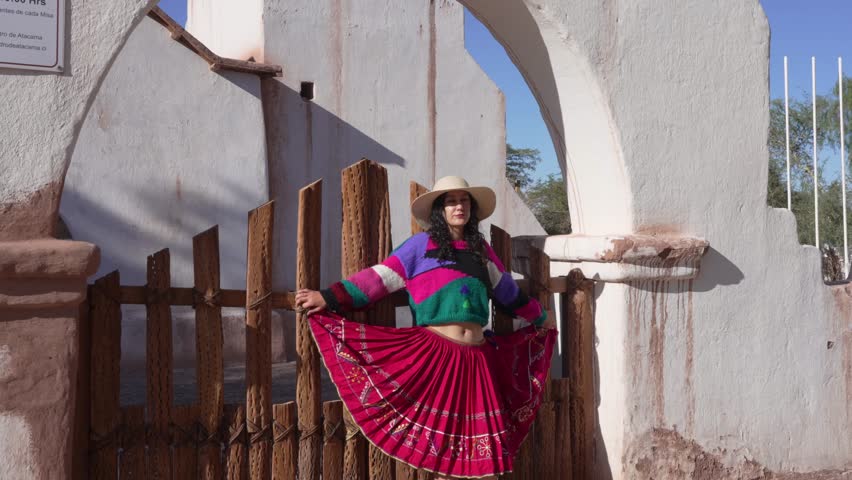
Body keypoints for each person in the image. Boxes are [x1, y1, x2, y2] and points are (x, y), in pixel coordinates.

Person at [295, 176, 557, 479]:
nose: (459, 206)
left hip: (477, 360)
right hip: (436, 357)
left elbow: (508, 292)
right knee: (441, 451)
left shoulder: (481, 251)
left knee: (484, 457)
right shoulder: (419, 247)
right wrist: (327, 297)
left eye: (464, 200)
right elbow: (377, 280)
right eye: (451, 201)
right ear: (439, 210)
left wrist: (540, 317)